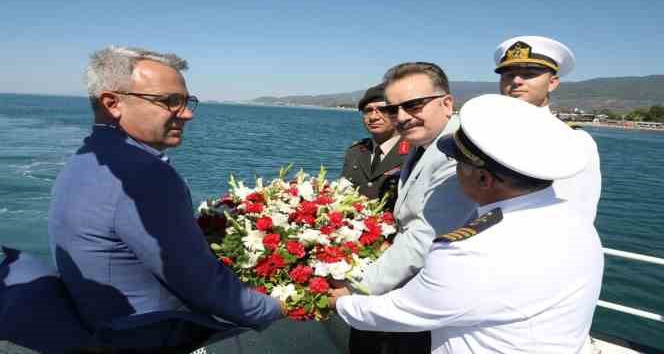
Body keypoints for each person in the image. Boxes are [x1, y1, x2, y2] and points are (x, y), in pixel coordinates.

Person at [48, 46, 282, 352]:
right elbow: (200, 285)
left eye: (186, 101)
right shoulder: (142, 174)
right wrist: (277, 308)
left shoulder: (83, 161)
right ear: (112, 103)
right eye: (171, 101)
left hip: (102, 328)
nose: (187, 114)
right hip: (148, 336)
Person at [331, 94, 604, 353]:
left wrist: (340, 302)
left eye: (456, 162)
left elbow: (404, 311)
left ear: (484, 179)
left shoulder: (470, 248)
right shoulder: (576, 224)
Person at [337, 62, 476, 354]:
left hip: (431, 290)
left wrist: (354, 288)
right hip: (402, 279)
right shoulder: (423, 143)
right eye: (394, 109)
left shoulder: (457, 151)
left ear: (447, 103)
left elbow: (424, 234)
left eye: (413, 105)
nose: (401, 117)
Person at [494, 35, 602, 223]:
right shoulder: (485, 132)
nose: (517, 80)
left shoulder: (572, 141)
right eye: (509, 74)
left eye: (529, 74)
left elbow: (577, 212)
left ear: (552, 83)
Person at [341, 83, 411, 212]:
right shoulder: (355, 151)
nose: (373, 117)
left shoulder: (414, 152)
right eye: (368, 110)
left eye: (382, 110)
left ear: (397, 113)